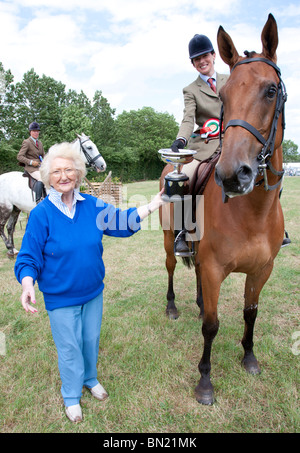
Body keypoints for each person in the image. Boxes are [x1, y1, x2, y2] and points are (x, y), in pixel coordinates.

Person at [14, 142, 166, 423]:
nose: (63, 176)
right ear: (48, 177)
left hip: (93, 292)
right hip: (60, 298)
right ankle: (71, 395)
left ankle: (90, 378)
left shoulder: (92, 205)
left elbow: (122, 222)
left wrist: (154, 204)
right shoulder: (41, 215)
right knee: (69, 346)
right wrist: (27, 284)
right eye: (56, 171)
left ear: (79, 173)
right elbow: (28, 258)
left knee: (90, 340)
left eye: (69, 170)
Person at [170, 34, 229, 256]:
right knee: (184, 177)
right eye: (197, 59)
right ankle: (182, 232)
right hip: (205, 144)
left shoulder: (231, 79)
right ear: (192, 63)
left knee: (266, 164)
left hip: (234, 141)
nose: (202, 61)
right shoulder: (191, 89)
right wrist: (181, 139)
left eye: (205, 55)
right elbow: (188, 118)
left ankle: (276, 227)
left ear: (214, 55)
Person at [17, 122, 45, 203]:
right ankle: (38, 200)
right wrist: (31, 162)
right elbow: (19, 156)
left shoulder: (40, 143)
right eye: (34, 131)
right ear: (30, 132)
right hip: (31, 168)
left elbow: (43, 155)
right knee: (41, 178)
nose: (36, 133)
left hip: (40, 166)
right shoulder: (27, 142)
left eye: (37, 131)